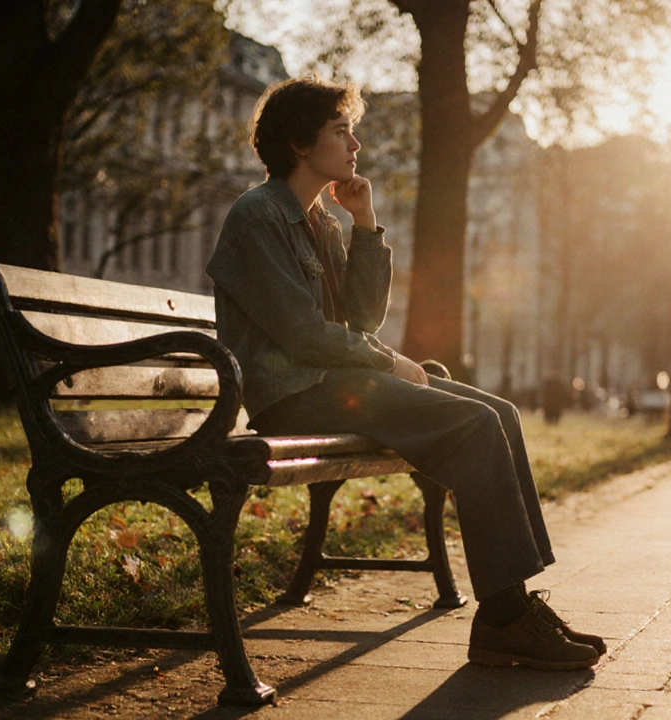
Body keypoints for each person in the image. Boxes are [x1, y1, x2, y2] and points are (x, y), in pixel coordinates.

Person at [206, 77, 603, 671]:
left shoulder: (320, 221)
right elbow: (300, 334)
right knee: (471, 425)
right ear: (299, 142)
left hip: (331, 386)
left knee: (500, 413)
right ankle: (502, 621)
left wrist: (365, 222)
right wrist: (387, 360)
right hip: (293, 395)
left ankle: (515, 606)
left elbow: (362, 316)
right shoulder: (258, 215)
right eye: (341, 131)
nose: (355, 143)